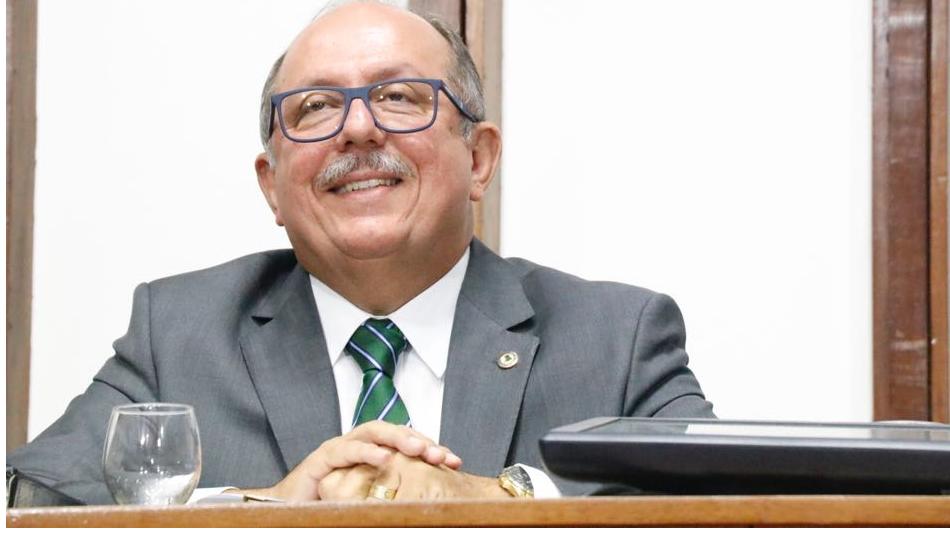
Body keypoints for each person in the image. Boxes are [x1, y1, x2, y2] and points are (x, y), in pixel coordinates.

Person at [7, 1, 714, 505]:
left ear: (478, 159)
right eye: (314, 107)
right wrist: (260, 509)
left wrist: (500, 498)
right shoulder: (179, 332)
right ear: (272, 186)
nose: (357, 128)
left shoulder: (613, 339)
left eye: (399, 96)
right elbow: (30, 498)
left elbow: (728, 502)